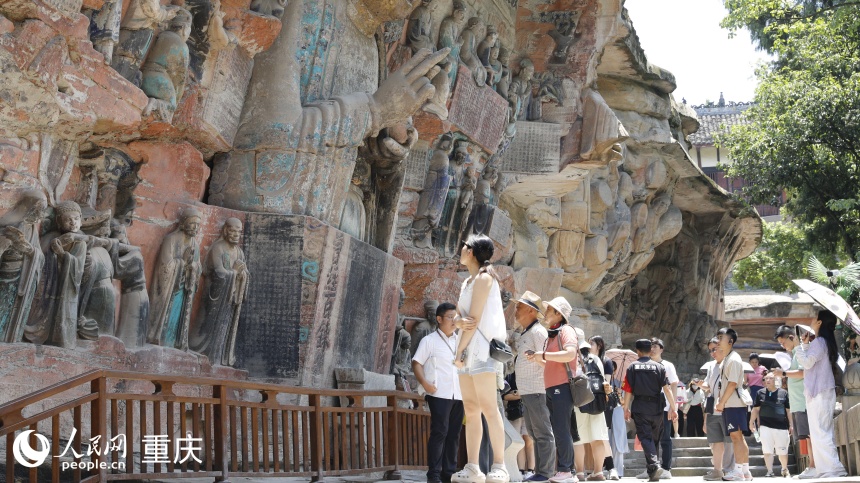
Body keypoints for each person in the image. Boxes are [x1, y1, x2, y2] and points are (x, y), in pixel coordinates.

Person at [451, 235, 509, 483]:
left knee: (489, 407)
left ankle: (500, 465)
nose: (461, 249)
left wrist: (458, 352)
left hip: (481, 350)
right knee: (472, 410)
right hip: (466, 351)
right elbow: (459, 316)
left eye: (464, 246)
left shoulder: (485, 279)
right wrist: (455, 322)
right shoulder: (468, 282)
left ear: (472, 252)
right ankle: (473, 466)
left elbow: (472, 320)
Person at [525, 296, 579, 483]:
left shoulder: (566, 331)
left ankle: (566, 470)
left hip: (562, 387)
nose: (545, 313)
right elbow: (549, 362)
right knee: (559, 429)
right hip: (553, 387)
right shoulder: (553, 334)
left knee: (561, 428)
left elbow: (570, 354)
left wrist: (544, 354)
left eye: (549, 310)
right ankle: (566, 470)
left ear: (558, 313)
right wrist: (538, 358)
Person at [792, 311, 848, 479]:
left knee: (820, 432)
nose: (811, 319)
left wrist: (797, 346)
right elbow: (813, 360)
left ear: (820, 323)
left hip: (819, 392)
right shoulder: (823, 342)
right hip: (823, 391)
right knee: (820, 432)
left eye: (815, 318)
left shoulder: (821, 342)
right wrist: (806, 345)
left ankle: (834, 468)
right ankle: (825, 468)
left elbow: (807, 363)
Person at [413, 302, 463, 483]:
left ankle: (448, 474)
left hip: (459, 394)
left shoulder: (461, 340)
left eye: (455, 317)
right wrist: (425, 383)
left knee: (454, 435)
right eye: (450, 317)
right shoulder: (429, 340)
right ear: (439, 319)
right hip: (438, 393)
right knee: (439, 432)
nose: (454, 321)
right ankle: (433, 475)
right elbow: (416, 362)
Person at [512, 291, 556, 482]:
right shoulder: (528, 332)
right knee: (535, 433)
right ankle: (541, 472)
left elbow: (551, 362)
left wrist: (537, 358)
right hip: (529, 392)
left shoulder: (538, 332)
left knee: (542, 433)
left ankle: (545, 473)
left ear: (531, 310)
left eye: (519, 306)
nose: (516, 310)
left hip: (538, 390)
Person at [622, 339, 678, 482]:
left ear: (638, 351)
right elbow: (667, 389)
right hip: (657, 408)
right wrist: (673, 407)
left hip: (640, 407)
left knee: (645, 438)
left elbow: (628, 390)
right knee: (655, 439)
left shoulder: (632, 367)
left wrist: (626, 408)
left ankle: (654, 464)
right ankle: (653, 472)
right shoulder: (659, 367)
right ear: (649, 350)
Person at [772, 325, 815, 478]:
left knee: (809, 436)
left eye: (783, 342)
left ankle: (813, 465)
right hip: (797, 403)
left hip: (803, 402)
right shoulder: (796, 354)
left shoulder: (801, 352)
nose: (783, 346)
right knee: (805, 437)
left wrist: (783, 373)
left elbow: (804, 373)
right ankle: (811, 465)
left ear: (791, 337)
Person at [714, 328, 751, 482]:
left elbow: (733, 383)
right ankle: (745, 472)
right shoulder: (728, 358)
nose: (718, 340)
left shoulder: (733, 359)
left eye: (721, 337)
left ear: (730, 341)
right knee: (739, 437)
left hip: (733, 403)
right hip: (732, 402)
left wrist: (722, 402)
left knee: (736, 437)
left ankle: (738, 472)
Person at [574, 335, 609, 481]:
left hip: (579, 401)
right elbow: (604, 381)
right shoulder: (596, 359)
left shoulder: (573, 358)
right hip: (597, 400)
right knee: (597, 437)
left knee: (578, 438)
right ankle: (598, 472)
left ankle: (580, 473)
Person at [700, 337, 736, 481]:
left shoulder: (731, 363)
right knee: (715, 442)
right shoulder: (711, 366)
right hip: (713, 408)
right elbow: (709, 388)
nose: (712, 353)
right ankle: (717, 470)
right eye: (710, 350)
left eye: (714, 349)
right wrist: (702, 385)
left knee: (729, 441)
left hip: (728, 408)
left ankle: (730, 470)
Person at [750, 372, 792, 478]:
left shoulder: (783, 393)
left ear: (775, 380)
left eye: (770, 378)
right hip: (765, 426)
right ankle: (769, 471)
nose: (768, 380)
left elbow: (788, 410)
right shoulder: (760, 393)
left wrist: (791, 424)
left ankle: (784, 469)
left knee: (782, 451)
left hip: (781, 426)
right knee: (767, 450)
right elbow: (755, 409)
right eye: (766, 378)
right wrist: (751, 422)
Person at [590, 336, 620, 481]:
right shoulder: (588, 360)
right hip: (590, 401)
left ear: (599, 345)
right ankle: (599, 469)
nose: (589, 346)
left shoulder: (606, 361)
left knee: (603, 436)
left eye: (592, 343)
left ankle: (611, 468)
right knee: (595, 437)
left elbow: (606, 384)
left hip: (603, 401)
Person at [502, 371, 535, 480]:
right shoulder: (510, 377)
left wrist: (516, 393)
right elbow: (505, 396)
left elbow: (533, 393)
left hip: (529, 412)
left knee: (529, 441)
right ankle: (520, 470)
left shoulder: (531, 376)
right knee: (518, 442)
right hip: (514, 413)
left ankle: (531, 470)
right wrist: (520, 394)